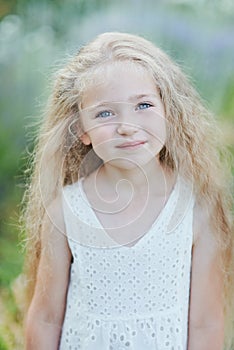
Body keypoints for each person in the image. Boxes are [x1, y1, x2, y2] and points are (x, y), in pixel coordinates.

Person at [22, 32, 233, 350]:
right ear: (81, 129)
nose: (127, 126)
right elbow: (46, 318)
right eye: (105, 113)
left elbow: (205, 323)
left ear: (169, 111)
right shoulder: (67, 212)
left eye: (143, 105)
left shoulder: (197, 208)